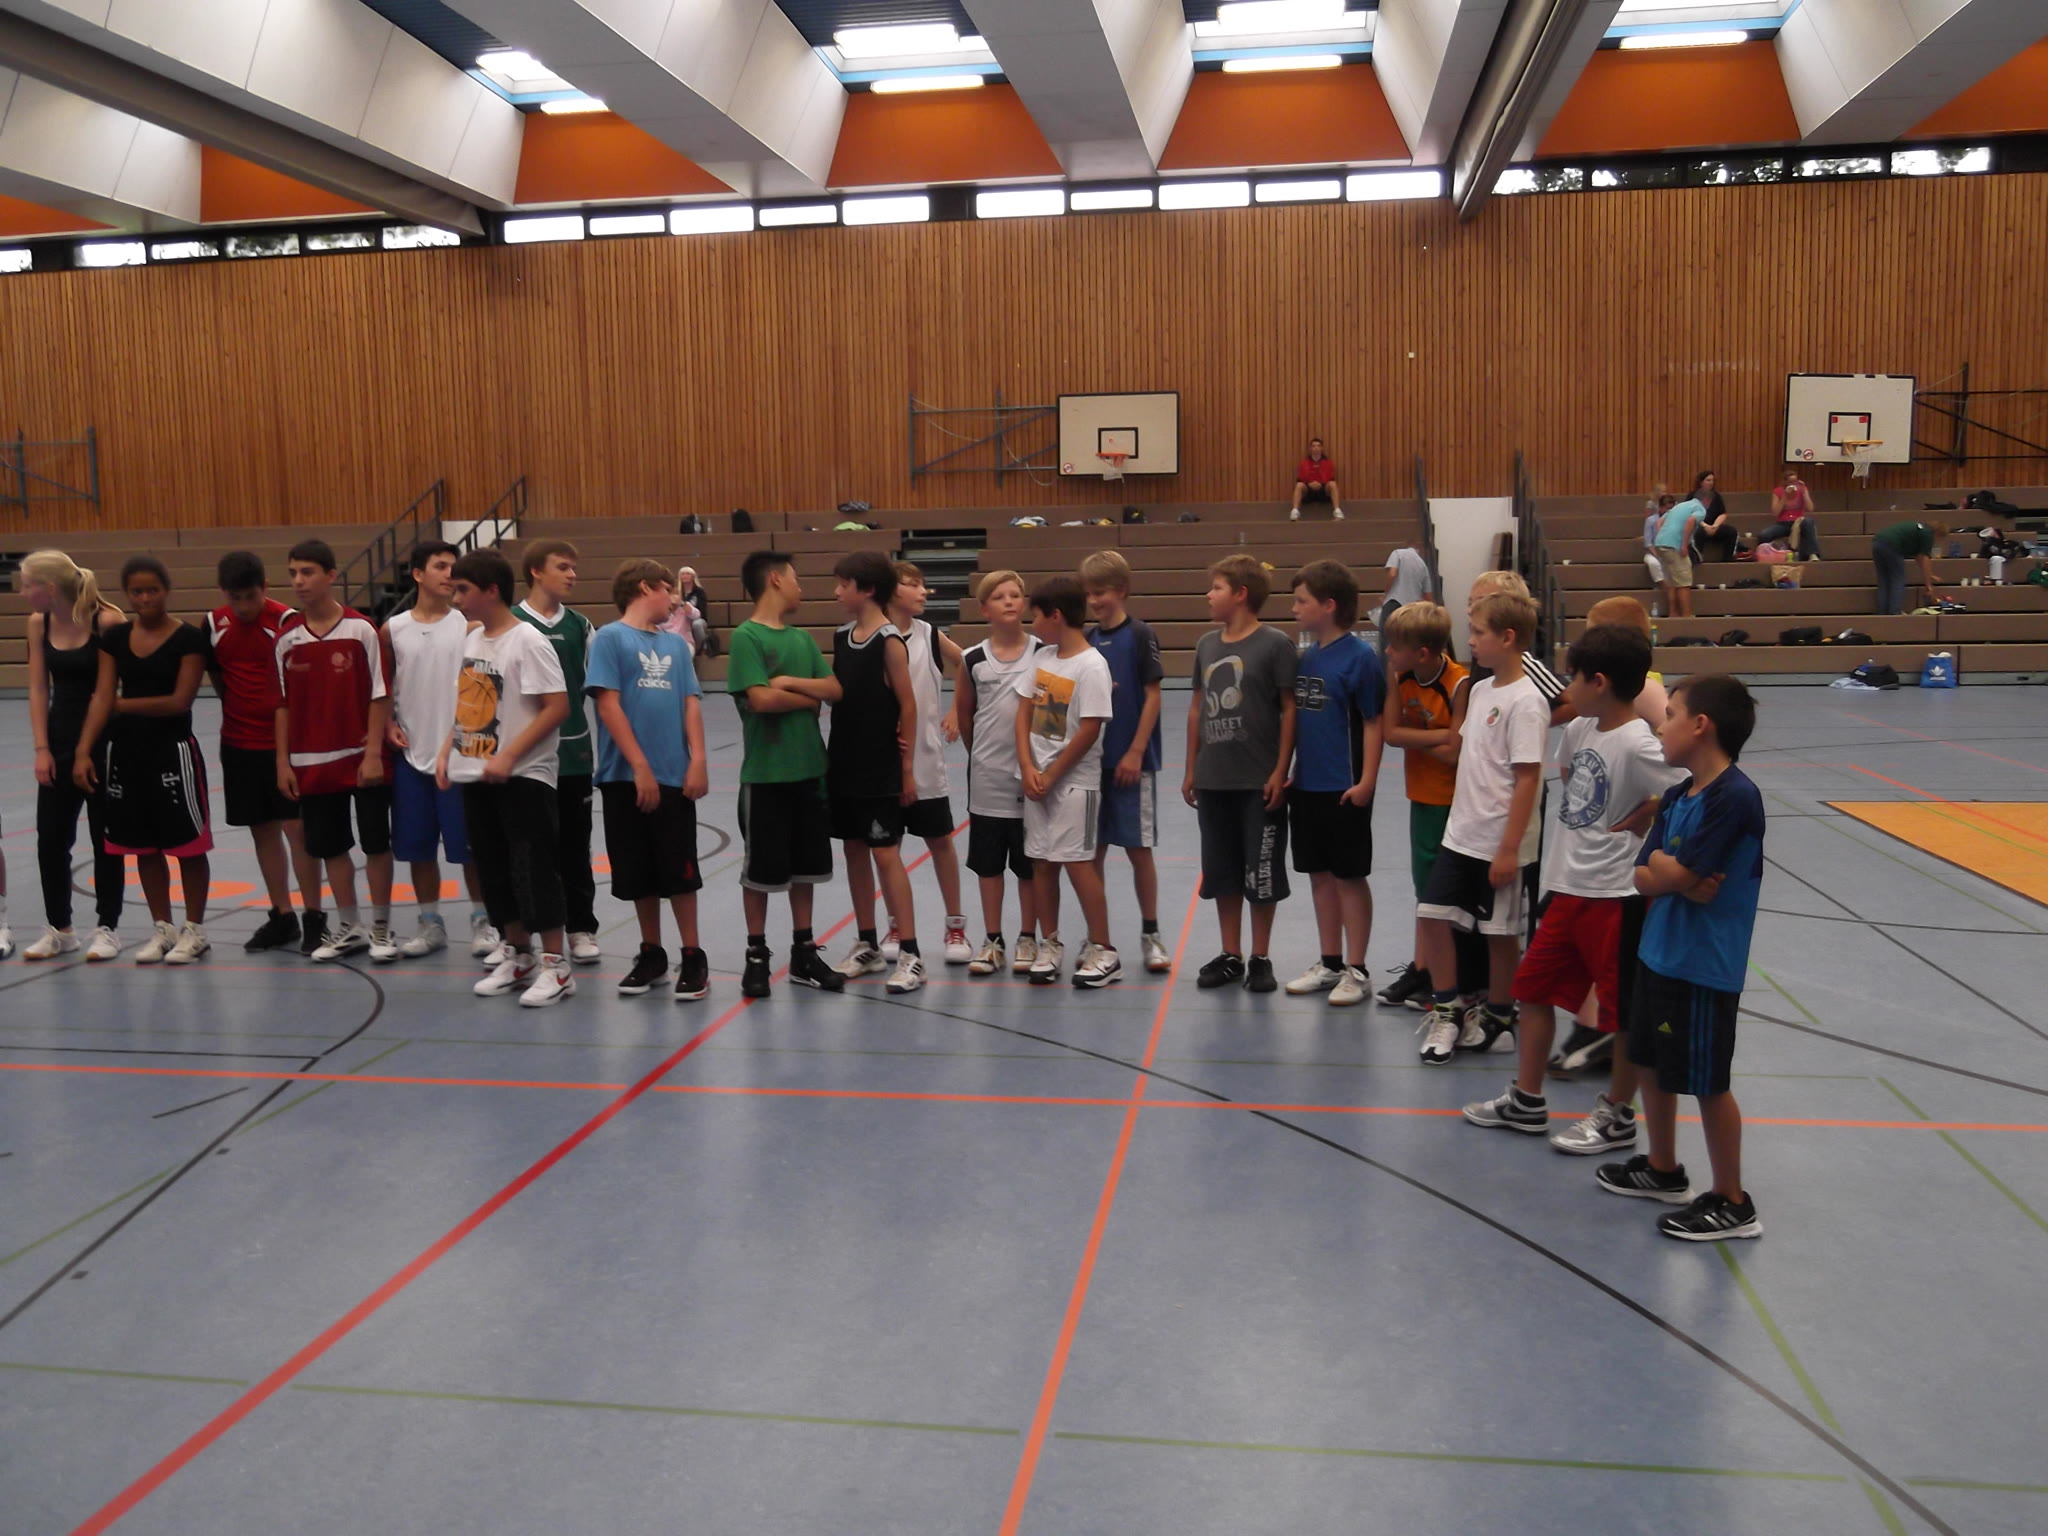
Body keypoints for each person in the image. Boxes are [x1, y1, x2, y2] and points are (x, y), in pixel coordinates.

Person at [1462, 625, 1678, 1147]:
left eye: (1572, 678)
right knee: (1532, 991)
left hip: (1616, 898)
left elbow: (1689, 787)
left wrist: (1650, 811)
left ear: (1599, 682)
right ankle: (1527, 1099)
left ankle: (1617, 1115)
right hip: (1566, 887)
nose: (1564, 688)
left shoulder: (1638, 743)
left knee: (1621, 1015)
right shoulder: (1580, 729)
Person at [1599, 675, 1766, 1242]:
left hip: (1703, 967)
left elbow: (1683, 871)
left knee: (1707, 1081)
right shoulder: (1675, 797)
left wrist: (1673, 873)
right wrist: (1674, 876)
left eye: (1669, 715)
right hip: (1659, 953)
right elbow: (1645, 874)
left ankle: (1732, 1201)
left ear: (1701, 726)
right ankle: (1663, 1167)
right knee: (1650, 1061)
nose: (1660, 726)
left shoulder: (1734, 797)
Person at [1413, 591, 1547, 1064]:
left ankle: (1499, 1015)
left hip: (1497, 843)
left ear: (1508, 638)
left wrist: (1509, 848)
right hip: (1461, 836)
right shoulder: (1479, 690)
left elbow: (1527, 778)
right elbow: (1468, 756)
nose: (1469, 640)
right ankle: (1448, 1010)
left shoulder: (1527, 701)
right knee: (1431, 916)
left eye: (1478, 632)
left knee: (1499, 933)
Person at [438, 550, 575, 1007]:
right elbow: (467, 704)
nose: (456, 599)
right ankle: (519, 955)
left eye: (463, 590)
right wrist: (448, 751)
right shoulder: (472, 640)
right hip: (477, 773)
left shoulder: (529, 641)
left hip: (524, 776)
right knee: (493, 869)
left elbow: (557, 706)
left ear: (491, 590)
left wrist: (510, 754)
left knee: (533, 870)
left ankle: (556, 965)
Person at [71, 557, 213, 965]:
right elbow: (102, 695)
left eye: (153, 590)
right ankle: (163, 929)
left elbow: (179, 701)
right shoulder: (115, 638)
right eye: (137, 591)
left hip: (173, 752)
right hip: (126, 753)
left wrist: (122, 705)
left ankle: (194, 930)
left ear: (166, 590)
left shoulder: (189, 640)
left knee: (186, 845)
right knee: (143, 846)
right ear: (127, 595)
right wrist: (83, 751)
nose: (146, 598)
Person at [723, 550, 845, 998]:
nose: (800, 586)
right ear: (775, 579)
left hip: (810, 771)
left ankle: (803, 952)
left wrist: (790, 684)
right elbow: (760, 700)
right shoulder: (746, 637)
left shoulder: (802, 639)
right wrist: (807, 700)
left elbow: (833, 690)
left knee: (806, 869)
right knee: (759, 872)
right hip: (766, 776)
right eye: (795, 577)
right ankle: (756, 954)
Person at [587, 559, 709, 1002]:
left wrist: (698, 759)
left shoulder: (676, 646)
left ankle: (692, 955)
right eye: (667, 590)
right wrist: (639, 766)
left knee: (680, 870)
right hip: (624, 776)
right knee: (639, 872)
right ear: (644, 588)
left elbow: (691, 702)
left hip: (673, 774)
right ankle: (652, 952)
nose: (674, 600)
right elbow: (608, 705)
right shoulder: (609, 638)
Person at [276, 540, 394, 963]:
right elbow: (282, 704)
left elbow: (380, 694)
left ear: (331, 575)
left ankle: (381, 927)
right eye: (293, 573)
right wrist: (283, 762)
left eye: (307, 572)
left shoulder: (362, 630)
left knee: (376, 843)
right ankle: (351, 926)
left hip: (362, 758)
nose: (299, 581)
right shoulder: (286, 639)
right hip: (311, 763)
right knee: (331, 847)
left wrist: (374, 752)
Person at [1184, 554, 1298, 993]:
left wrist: (1280, 769)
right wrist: (1192, 767)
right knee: (1223, 871)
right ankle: (1230, 953)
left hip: (1257, 781)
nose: (1208, 595)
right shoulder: (1205, 645)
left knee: (1261, 872)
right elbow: (1196, 708)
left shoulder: (1275, 645)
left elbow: (1289, 709)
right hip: (1214, 779)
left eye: (1216, 588)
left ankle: (1260, 956)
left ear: (1241, 594)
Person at [382, 541, 494, 960]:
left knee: (470, 848)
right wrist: (389, 723)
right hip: (411, 754)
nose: (449, 574)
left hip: (460, 757)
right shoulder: (392, 630)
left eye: (453, 567)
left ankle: (483, 921)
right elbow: (383, 687)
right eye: (440, 566)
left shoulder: (468, 627)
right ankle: (430, 923)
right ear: (417, 574)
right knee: (418, 847)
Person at [206, 552, 322, 954]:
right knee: (263, 830)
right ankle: (283, 915)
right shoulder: (214, 625)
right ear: (223, 592)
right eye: (235, 598)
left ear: (265, 589)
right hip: (239, 744)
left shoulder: (287, 622)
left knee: (297, 830)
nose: (243, 606)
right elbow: (219, 678)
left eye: (251, 597)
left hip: (285, 746)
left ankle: (314, 916)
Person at [1283, 560, 1384, 1006]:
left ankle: (1357, 969)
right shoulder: (1307, 656)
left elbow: (1374, 723)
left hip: (1344, 787)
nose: (1294, 608)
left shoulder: (1361, 658)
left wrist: (1367, 782)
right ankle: (1330, 962)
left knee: (1348, 877)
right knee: (1319, 875)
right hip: (1307, 786)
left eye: (1301, 601)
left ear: (1328, 605)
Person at [823, 552, 924, 994]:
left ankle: (911, 953)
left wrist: (907, 769)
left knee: (886, 854)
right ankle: (867, 943)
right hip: (844, 763)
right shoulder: (841, 636)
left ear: (865, 589)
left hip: (880, 767)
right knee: (853, 850)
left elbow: (907, 705)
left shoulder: (889, 641)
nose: (836, 592)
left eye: (842, 584)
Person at [1375, 601, 1482, 1012]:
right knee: (1424, 890)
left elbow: (1455, 754)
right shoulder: (1398, 676)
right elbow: (1390, 733)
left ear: (1422, 653)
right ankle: (1423, 969)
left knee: (1447, 895)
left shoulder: (1459, 683)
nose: (1387, 651)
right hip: (1421, 797)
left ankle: (1449, 976)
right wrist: (1440, 736)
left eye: (1394, 646)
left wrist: (1421, 737)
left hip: (1454, 803)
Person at [1014, 576, 1120, 987]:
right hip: (1038, 781)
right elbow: (1024, 712)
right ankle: (1051, 942)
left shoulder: (1092, 665)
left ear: (1056, 616)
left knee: (1077, 863)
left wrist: (1052, 774)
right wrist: (1028, 766)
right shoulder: (1043, 657)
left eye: (1036, 617)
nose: (1032, 625)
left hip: (1074, 783)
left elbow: (1090, 729)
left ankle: (1104, 949)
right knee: (1042, 862)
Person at [20, 551, 125, 961]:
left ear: (50, 588)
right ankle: (60, 928)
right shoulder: (38, 623)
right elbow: (37, 688)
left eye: (28, 585)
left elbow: (108, 690)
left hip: (103, 741)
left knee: (105, 840)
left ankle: (108, 927)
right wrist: (42, 749)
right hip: (59, 738)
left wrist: (87, 749)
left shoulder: (107, 622)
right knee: (51, 839)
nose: (23, 593)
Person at [952, 570, 1043, 976]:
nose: (1009, 601)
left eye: (1015, 595)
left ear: (1024, 604)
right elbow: (965, 715)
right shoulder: (972, 658)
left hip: (1032, 779)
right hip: (987, 780)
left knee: (1029, 866)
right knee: (989, 866)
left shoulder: (1044, 653)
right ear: (984, 608)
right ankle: (993, 940)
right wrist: (982, 757)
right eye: (999, 596)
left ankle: (1028, 936)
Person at [1081, 550, 1168, 974]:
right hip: (1091, 765)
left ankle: (1151, 933)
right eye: (1089, 593)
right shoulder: (1087, 640)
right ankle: (1097, 937)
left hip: (1133, 763)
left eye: (1100, 592)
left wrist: (1135, 750)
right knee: (1091, 852)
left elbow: (1152, 695)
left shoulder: (1140, 635)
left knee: (1138, 849)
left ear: (1121, 590)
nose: (1093, 601)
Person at [514, 540, 600, 967]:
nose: (572, 575)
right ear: (536, 571)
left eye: (574, 568)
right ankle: (520, 937)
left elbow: (599, 690)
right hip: (524, 758)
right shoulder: (511, 624)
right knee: (529, 851)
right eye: (562, 567)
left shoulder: (581, 627)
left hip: (572, 753)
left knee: (575, 847)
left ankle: (580, 926)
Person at [883, 561, 969, 965]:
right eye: (912, 584)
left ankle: (955, 925)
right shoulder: (875, 636)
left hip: (926, 762)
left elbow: (965, 663)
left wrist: (956, 710)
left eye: (924, 585)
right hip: (884, 764)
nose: (923, 591)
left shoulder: (930, 635)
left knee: (940, 843)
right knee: (888, 847)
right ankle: (896, 924)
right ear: (890, 590)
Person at [1871, 519, 1948, 615]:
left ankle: (1883, 612)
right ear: (1938, 534)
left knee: (1884, 580)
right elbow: (1925, 559)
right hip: (1893, 545)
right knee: (1897, 579)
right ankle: (1894, 612)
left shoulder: (1920, 530)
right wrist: (1929, 586)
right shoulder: (1928, 534)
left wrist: (1930, 574)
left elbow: (1918, 557)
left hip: (1877, 542)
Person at [1650, 493, 1705, 619]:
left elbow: (1659, 522)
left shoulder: (1679, 507)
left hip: (1660, 544)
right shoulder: (1700, 508)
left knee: (1672, 583)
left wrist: (1664, 536)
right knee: (1684, 583)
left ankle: (1673, 614)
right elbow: (1690, 522)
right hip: (1674, 546)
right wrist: (1684, 545)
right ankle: (1686, 616)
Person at [1756, 469, 1822, 561]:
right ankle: (1769, 555)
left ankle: (1813, 554)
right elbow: (1775, 512)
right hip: (1783, 523)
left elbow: (1810, 508)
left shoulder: (1802, 489)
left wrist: (1804, 492)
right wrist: (1784, 496)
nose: (1793, 484)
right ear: (1785, 482)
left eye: (1795, 481)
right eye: (1791, 482)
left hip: (1798, 522)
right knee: (1764, 535)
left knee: (1809, 521)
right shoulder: (1778, 491)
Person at [1381, 537, 1433, 633]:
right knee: (1408, 639)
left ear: (1405, 546)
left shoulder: (1397, 553)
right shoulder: (1423, 565)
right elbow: (1428, 596)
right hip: (1413, 610)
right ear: (1418, 550)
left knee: (1387, 636)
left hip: (1394, 602)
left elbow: (1392, 574)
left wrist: (1385, 593)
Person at [1688, 471, 1737, 564]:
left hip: (1714, 526)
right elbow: (1690, 514)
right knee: (1697, 532)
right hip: (1699, 525)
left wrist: (1715, 526)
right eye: (1708, 480)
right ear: (1701, 482)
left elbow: (1722, 514)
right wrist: (1705, 526)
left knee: (1731, 532)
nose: (1711, 483)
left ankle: (1727, 559)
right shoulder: (1692, 496)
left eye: (1712, 480)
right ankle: (1698, 558)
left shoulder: (1716, 496)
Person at [1289, 437, 1343, 521]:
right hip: (1308, 490)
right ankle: (1295, 512)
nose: (1316, 448)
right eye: (1314, 446)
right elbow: (1300, 479)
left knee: (1333, 484)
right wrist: (1309, 484)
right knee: (1299, 485)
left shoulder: (1328, 463)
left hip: (1323, 489)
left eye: (1318, 446)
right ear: (1310, 448)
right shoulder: (1304, 463)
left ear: (1322, 448)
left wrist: (1321, 484)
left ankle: (1337, 512)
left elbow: (1330, 478)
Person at [1642, 494, 1674, 613]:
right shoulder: (1651, 520)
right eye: (1667, 508)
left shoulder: (1675, 520)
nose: (1669, 511)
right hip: (1653, 552)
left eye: (1671, 508)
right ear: (1660, 508)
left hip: (1670, 551)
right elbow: (1648, 542)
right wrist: (1658, 555)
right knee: (1653, 563)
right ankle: (1665, 587)